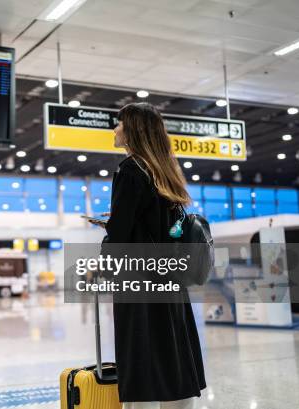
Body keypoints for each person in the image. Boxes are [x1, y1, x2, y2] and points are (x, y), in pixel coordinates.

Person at [103, 103, 206, 409]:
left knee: (141, 354)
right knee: (172, 349)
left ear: (132, 130)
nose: (115, 129)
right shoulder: (164, 169)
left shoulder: (130, 169)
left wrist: (109, 233)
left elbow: (120, 234)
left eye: (119, 123)